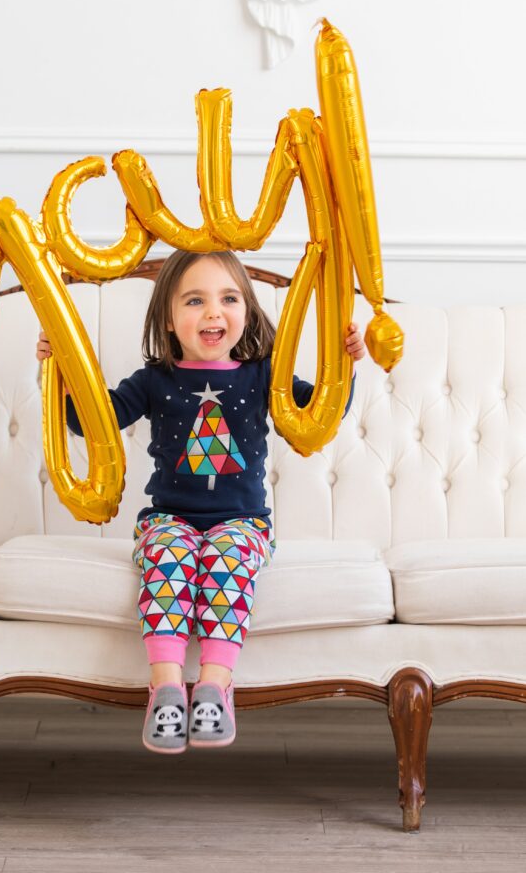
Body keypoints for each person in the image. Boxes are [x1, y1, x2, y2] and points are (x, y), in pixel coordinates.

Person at [36, 250, 365, 754]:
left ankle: (214, 686)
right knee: (168, 558)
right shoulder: (153, 381)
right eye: (195, 300)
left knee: (227, 560)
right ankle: (166, 688)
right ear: (169, 319)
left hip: (243, 523)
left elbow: (316, 412)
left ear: (248, 313)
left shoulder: (263, 376)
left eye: (228, 298)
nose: (213, 312)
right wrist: (57, 371)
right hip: (169, 519)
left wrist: (346, 362)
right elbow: (90, 421)